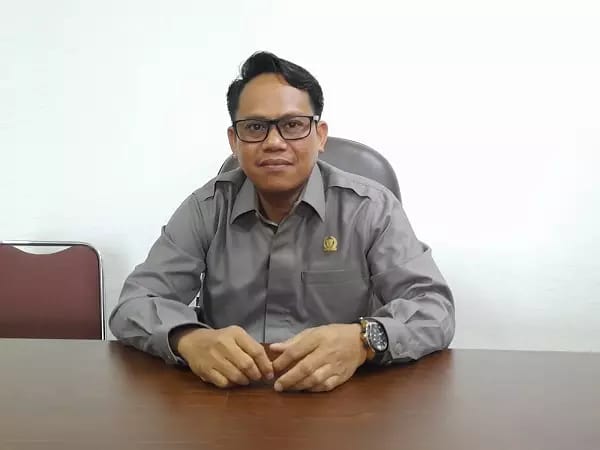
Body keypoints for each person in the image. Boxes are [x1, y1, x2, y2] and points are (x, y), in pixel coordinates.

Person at [109, 51, 455, 393]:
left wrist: (363, 340)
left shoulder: (370, 209)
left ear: (320, 136)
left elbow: (433, 307)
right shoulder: (207, 208)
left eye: (292, 125)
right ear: (234, 141)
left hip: (342, 395)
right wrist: (188, 339)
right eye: (255, 127)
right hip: (231, 396)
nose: (274, 143)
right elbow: (134, 303)